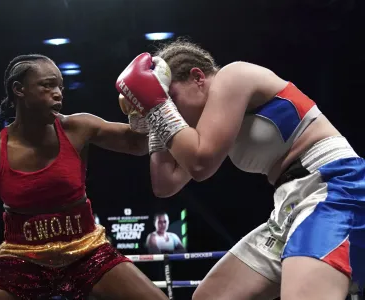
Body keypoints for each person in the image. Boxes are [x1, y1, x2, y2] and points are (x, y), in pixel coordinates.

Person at [116, 39, 365, 300]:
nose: (174, 113)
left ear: (198, 77)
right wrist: (155, 119)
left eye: (173, 99)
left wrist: (157, 106)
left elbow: (200, 164)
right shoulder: (208, 131)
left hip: (334, 187)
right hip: (290, 205)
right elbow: (165, 184)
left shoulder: (233, 76)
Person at [0, 54, 169, 300]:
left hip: (86, 251)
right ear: (19, 89)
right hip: (22, 258)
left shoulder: (78, 128)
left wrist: (149, 106)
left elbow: (138, 144)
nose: (58, 92)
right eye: (47, 85)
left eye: (60, 86)